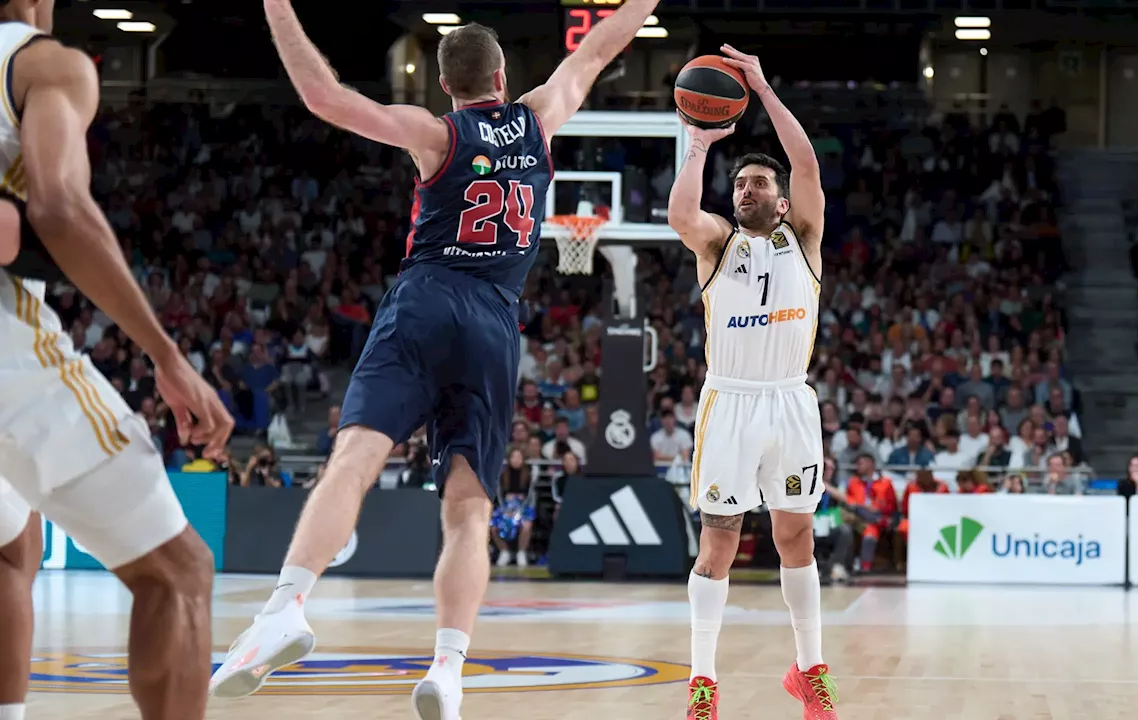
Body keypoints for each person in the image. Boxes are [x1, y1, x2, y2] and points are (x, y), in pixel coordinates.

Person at [208, 2, 663, 719]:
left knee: (354, 460)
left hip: (427, 298)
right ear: (502, 76)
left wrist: (277, 9)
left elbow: (327, 98)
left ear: (445, 85)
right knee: (467, 511)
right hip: (494, 320)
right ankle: (447, 668)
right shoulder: (539, 118)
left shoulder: (436, 135)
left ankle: (283, 607)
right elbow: (596, 52)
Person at [0, 2, 234, 718]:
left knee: (13, 547)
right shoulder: (45, 62)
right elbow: (57, 210)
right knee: (179, 572)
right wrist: (165, 354)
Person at [667, 44, 837, 720]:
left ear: (783, 198)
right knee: (722, 540)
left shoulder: (805, 236)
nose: (747, 191)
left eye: (759, 184)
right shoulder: (716, 244)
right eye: (740, 185)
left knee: (797, 537)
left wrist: (763, 88)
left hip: (791, 401)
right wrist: (699, 144)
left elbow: (807, 164)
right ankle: (703, 683)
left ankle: (809, 670)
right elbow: (682, 214)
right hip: (731, 402)